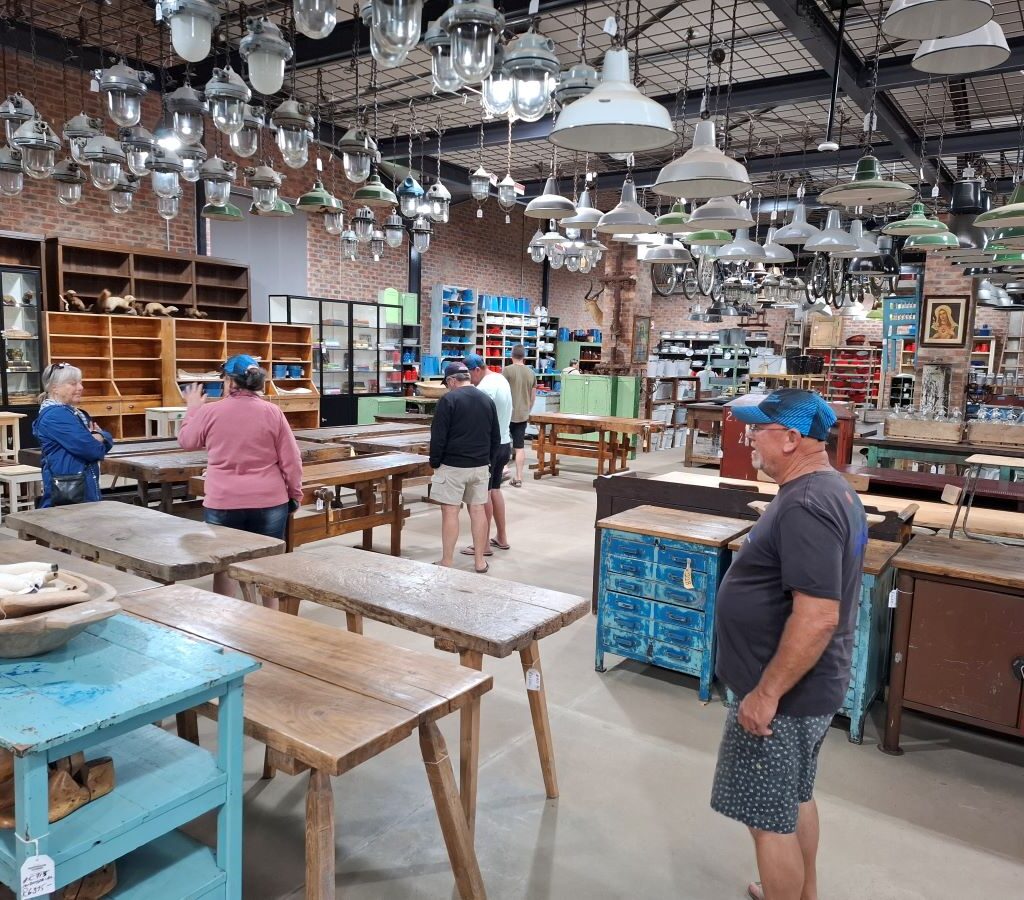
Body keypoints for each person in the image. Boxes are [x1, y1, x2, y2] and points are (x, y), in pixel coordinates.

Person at [710, 389, 868, 900]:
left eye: (758, 429)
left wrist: (766, 694)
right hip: (806, 689)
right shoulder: (828, 489)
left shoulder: (806, 504)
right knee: (794, 797)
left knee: (766, 820)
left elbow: (819, 615)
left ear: (793, 438)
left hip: (783, 695)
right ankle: (804, 893)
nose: (748, 437)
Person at [179, 354, 303, 597]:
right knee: (270, 565)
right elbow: (291, 461)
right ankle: (270, 620)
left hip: (223, 500)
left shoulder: (209, 412)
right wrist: (294, 494)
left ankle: (229, 624)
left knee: (225, 566)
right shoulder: (273, 412)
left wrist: (193, 409)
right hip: (269, 500)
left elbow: (187, 441)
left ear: (229, 381)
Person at [429, 361, 499, 574]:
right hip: (480, 465)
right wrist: (489, 463)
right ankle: (479, 562)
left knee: (450, 512)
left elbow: (438, 437)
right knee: (478, 511)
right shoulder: (487, 400)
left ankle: (447, 561)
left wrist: (435, 462)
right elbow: (495, 438)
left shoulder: (448, 400)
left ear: (451, 380)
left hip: (453, 466)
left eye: (447, 383)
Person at [33, 363, 113, 507]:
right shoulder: (56, 415)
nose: (80, 388)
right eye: (73, 384)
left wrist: (99, 437)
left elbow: (94, 445)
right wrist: (101, 436)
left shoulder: (71, 412)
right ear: (54, 388)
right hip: (70, 493)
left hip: (78, 489)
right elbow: (92, 450)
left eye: (80, 383)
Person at [462, 353, 513, 556]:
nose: (468, 382)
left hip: (490, 446)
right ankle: (501, 537)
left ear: (477, 370)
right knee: (494, 490)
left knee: (482, 495)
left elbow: (476, 421)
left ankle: (483, 545)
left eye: (468, 376)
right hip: (504, 442)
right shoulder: (499, 378)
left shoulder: (484, 389)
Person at [502, 344, 536, 488]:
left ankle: (503, 470)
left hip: (507, 413)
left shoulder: (507, 371)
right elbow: (533, 396)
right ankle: (519, 477)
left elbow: (501, 391)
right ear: (524, 357)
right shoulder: (531, 373)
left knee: (503, 442)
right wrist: (527, 409)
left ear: (511, 356)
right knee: (519, 446)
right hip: (523, 414)